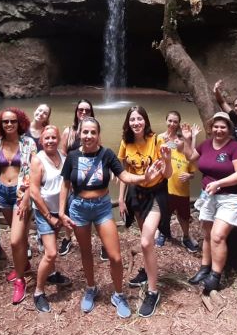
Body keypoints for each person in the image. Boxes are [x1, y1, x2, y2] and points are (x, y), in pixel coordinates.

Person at [59, 117, 164, 318]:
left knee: (115, 256)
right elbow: (65, 184)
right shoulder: (72, 156)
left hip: (102, 207)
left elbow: (124, 176)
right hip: (79, 208)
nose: (88, 136)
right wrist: (62, 211)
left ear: (98, 135)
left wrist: (143, 178)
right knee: (86, 252)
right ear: (79, 134)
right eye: (85, 132)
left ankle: (118, 294)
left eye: (93, 132)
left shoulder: (106, 154)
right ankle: (91, 288)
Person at [182, 112, 237, 294]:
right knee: (208, 234)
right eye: (216, 127)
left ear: (229, 129)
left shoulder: (236, 147)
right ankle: (204, 268)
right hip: (208, 195)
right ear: (211, 128)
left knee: (218, 236)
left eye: (223, 127)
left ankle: (216, 276)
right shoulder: (205, 144)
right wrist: (187, 140)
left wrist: (219, 183)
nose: (219, 130)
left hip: (231, 197)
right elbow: (191, 158)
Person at [117, 106, 173, 317]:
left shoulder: (157, 140)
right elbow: (125, 173)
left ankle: (153, 291)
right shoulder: (126, 143)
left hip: (156, 193)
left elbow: (167, 174)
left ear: (145, 120)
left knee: (145, 241)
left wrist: (167, 159)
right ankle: (147, 271)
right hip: (136, 194)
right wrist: (121, 199)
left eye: (139, 118)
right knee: (145, 239)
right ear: (128, 122)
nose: (136, 122)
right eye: (132, 119)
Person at [0, 107, 38, 304]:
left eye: (13, 121)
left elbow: (34, 172)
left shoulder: (28, 143)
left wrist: (27, 198)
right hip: (2, 193)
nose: (9, 124)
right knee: (19, 233)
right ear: (1, 124)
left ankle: (20, 280)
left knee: (15, 240)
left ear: (20, 123)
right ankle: (23, 265)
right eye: (6, 121)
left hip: (20, 194)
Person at [28, 125, 73, 313]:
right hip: (44, 211)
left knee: (51, 247)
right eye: (46, 138)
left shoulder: (64, 158)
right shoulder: (38, 160)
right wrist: (49, 216)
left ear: (59, 139)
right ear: (41, 141)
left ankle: (52, 274)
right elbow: (34, 192)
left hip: (59, 210)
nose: (50, 141)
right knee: (51, 253)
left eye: (54, 137)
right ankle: (38, 292)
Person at [58, 99, 95, 257]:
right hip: (72, 176)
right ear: (76, 112)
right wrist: (71, 177)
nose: (84, 113)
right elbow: (63, 154)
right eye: (81, 110)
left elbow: (97, 154)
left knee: (91, 206)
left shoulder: (93, 131)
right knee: (68, 206)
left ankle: (92, 237)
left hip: (89, 177)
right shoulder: (69, 131)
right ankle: (67, 237)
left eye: (87, 110)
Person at [161, 128, 199, 252]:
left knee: (184, 217)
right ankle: (163, 233)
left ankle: (186, 237)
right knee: (165, 214)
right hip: (169, 191)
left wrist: (189, 176)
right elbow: (164, 142)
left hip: (183, 193)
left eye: (180, 139)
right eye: (176, 138)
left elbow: (193, 174)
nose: (176, 140)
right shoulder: (171, 148)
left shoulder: (189, 156)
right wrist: (167, 140)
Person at [155, 110, 182, 246]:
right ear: (166, 121)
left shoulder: (179, 139)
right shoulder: (159, 137)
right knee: (162, 205)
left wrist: (168, 144)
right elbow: (156, 155)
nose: (172, 124)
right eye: (170, 120)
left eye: (175, 121)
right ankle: (162, 232)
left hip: (176, 174)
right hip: (162, 174)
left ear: (178, 124)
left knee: (175, 204)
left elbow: (180, 149)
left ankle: (182, 234)